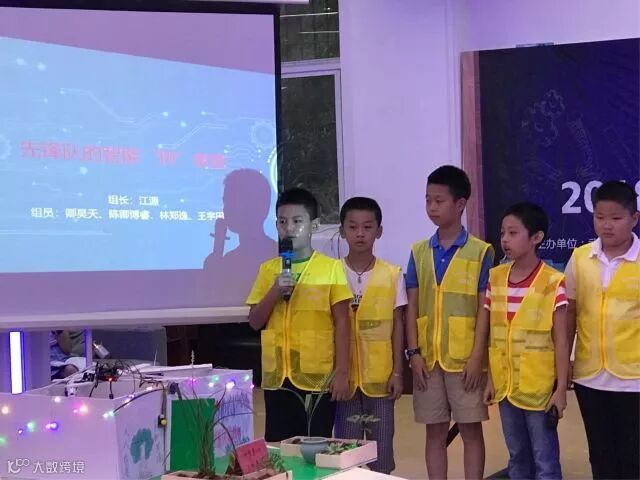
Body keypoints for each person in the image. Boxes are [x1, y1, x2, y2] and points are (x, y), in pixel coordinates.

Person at [405, 165, 494, 479]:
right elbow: (412, 306)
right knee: (434, 431)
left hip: (465, 359)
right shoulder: (418, 252)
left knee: (471, 430)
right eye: (428, 200)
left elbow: (485, 309)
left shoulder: (481, 252)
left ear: (460, 204)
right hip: (428, 359)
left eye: (439, 201)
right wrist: (413, 353)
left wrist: (477, 357)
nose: (432, 207)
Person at [247, 187, 352, 441]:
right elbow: (255, 321)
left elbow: (342, 322)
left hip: (316, 378)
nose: (289, 228)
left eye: (297, 221)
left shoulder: (331, 268)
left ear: (313, 225)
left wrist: (342, 371)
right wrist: (275, 290)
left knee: (315, 446)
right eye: (282, 222)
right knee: (279, 448)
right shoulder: (268, 269)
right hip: (277, 378)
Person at [483, 202, 569, 480]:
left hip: (539, 390)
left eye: (513, 233)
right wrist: (490, 379)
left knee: (545, 461)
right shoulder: (496, 278)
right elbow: (493, 335)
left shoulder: (553, 282)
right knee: (517, 456)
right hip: (505, 387)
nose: (505, 240)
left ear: (536, 237)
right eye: (502, 233)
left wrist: (561, 390)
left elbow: (561, 340)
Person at [566, 180, 640, 480]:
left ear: (634, 218)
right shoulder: (580, 258)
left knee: (633, 457)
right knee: (600, 454)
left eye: (616, 218)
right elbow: (569, 314)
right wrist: (565, 364)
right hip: (590, 376)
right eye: (600, 217)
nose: (607, 225)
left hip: (633, 379)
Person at [333, 197, 406, 474]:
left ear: (379, 231)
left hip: (381, 379)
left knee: (381, 453)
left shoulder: (392, 274)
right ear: (342, 231)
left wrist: (397, 372)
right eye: (353, 227)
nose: (360, 234)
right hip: (345, 381)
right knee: (345, 453)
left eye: (367, 227)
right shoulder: (333, 272)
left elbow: (397, 325)